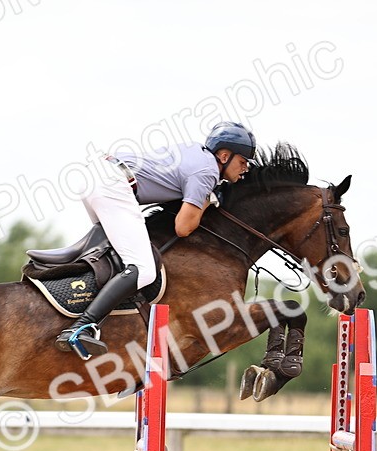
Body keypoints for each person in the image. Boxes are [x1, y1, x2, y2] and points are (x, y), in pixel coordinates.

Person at [55, 121, 257, 355]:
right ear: (224, 156)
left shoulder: (196, 154)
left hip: (98, 175)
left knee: (117, 253)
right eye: (243, 162)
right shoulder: (207, 171)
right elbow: (183, 227)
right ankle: (81, 328)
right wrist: (207, 199)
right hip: (113, 185)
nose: (245, 169)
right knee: (143, 269)